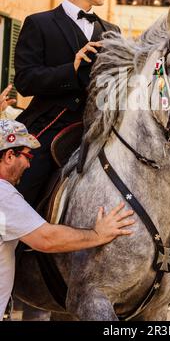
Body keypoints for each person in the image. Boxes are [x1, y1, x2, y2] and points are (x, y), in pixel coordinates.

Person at [14, 0, 120, 208]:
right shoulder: (39, 23)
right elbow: (25, 82)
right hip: (50, 126)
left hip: (99, 128)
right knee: (23, 191)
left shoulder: (113, 31)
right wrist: (70, 69)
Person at [0, 119, 135, 321]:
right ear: (10, 155)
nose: (29, 164)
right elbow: (46, 239)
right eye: (27, 155)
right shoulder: (3, 195)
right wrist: (97, 234)